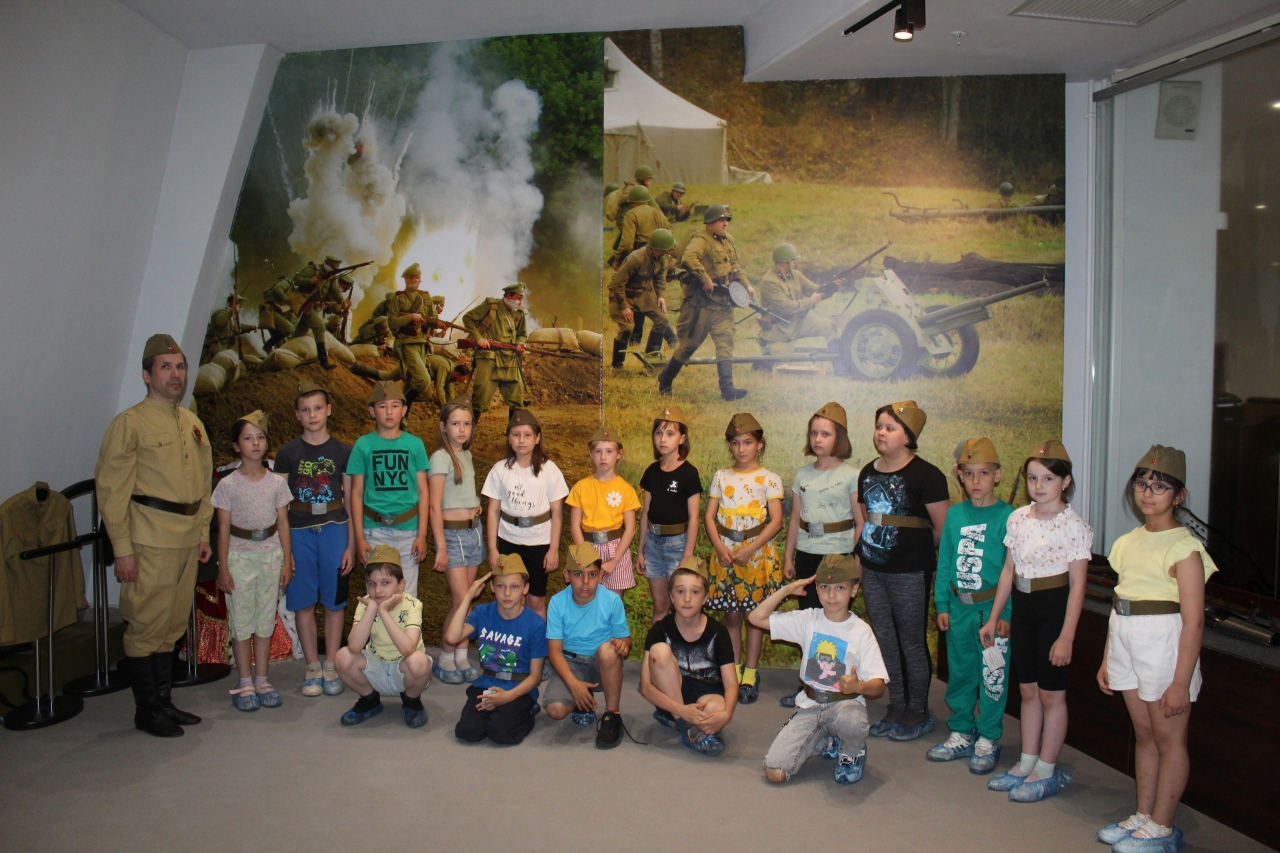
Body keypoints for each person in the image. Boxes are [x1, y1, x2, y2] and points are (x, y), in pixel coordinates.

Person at [1093, 446, 1213, 852]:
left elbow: (1194, 622)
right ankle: (1144, 814)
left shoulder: (1185, 547)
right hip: (1125, 636)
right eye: (1142, 484)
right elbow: (1119, 601)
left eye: (1159, 486)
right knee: (1144, 734)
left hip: (1163, 643)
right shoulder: (1128, 541)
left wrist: (1180, 682)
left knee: (1168, 740)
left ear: (1179, 496)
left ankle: (1162, 825)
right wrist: (1108, 658)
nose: (1147, 493)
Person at [95, 333, 213, 738]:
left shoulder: (192, 423)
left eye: (180, 367)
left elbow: (204, 485)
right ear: (147, 375)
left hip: (186, 538)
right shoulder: (130, 424)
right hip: (149, 539)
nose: (175, 374)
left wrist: (203, 532)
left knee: (172, 625)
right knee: (146, 624)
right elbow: (112, 491)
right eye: (166, 367)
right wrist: (122, 549)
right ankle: (146, 710)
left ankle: (163, 702)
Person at [980, 440, 1092, 802]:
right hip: (1024, 606)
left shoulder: (1073, 526)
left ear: (1065, 481)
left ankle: (1047, 767)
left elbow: (1078, 586)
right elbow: (1008, 571)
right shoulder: (1018, 518)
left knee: (1051, 694)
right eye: (1032, 478)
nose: (1039, 486)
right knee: (1028, 690)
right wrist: (994, 618)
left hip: (1054, 608)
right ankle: (1027, 761)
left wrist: (1067, 636)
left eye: (1048, 478)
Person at [855, 400, 950, 741]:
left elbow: (941, 529)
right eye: (879, 426)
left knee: (911, 641)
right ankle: (897, 704)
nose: (881, 432)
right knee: (885, 639)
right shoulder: (867, 472)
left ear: (908, 436)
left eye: (890, 428)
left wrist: (913, 550)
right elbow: (865, 519)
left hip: (910, 572)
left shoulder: (928, 475)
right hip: (873, 570)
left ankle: (918, 710)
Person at [750, 555, 889, 785]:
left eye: (840, 588)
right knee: (776, 772)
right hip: (810, 706)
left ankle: (852, 752)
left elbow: (878, 685)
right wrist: (786, 591)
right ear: (816, 589)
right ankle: (826, 740)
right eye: (825, 587)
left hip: (844, 705)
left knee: (853, 721)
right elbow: (756, 618)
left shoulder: (860, 631)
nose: (832, 595)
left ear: (854, 590)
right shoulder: (808, 620)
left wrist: (858, 686)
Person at [927, 437, 1015, 773]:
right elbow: (945, 561)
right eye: (968, 474)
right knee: (961, 672)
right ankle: (962, 730)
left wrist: (1006, 614)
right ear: (960, 476)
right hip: (959, 610)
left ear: (998, 475)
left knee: (992, 675)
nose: (975, 481)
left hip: (992, 611)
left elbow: (1012, 571)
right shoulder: (954, 515)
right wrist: (942, 604)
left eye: (983, 473)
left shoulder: (1009, 517)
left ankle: (988, 736)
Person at [274, 379, 355, 698]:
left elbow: (351, 500)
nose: (312, 415)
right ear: (297, 415)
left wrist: (351, 544)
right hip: (298, 532)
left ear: (328, 410)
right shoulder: (287, 453)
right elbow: (279, 505)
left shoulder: (343, 451)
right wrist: (285, 550)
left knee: (335, 601)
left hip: (335, 529)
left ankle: (331, 663)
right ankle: (312, 666)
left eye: (318, 408)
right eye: (305, 410)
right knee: (303, 602)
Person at [212, 410, 294, 711]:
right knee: (242, 620)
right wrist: (223, 567)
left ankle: (262, 679)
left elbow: (283, 523)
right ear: (237, 446)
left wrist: (287, 560)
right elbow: (223, 529)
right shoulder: (227, 485)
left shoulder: (276, 483)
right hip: (239, 557)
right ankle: (245, 681)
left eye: (260, 437)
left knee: (264, 619)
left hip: (270, 555)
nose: (255, 443)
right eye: (248, 438)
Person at [779, 402, 859, 708]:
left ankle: (834, 685)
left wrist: (856, 562)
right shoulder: (803, 474)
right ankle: (808, 687)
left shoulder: (851, 475)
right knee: (810, 620)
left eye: (825, 434)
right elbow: (795, 519)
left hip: (838, 556)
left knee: (835, 621)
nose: (818, 439)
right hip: (807, 555)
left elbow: (860, 521)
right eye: (814, 433)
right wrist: (789, 557)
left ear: (839, 438)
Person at [705, 413, 784, 705]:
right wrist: (719, 548)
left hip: (756, 555)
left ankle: (750, 673)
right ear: (729, 445)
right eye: (736, 443)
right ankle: (734, 671)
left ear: (759, 444)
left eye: (748, 442)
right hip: (726, 554)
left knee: (754, 617)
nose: (742, 449)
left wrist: (750, 549)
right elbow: (709, 516)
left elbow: (776, 521)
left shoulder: (769, 479)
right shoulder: (721, 476)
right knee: (732, 616)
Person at [445, 554, 548, 746]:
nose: (507, 593)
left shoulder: (535, 624)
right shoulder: (482, 612)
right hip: (487, 683)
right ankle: (500, 713)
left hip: (518, 687)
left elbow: (535, 677)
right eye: (501, 586)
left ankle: (528, 710)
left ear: (525, 588)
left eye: (514, 587)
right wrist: (467, 597)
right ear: (492, 587)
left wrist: (508, 697)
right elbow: (451, 638)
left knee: (501, 734)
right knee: (467, 732)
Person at [640, 556, 738, 756]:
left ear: (705, 597)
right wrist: (681, 710)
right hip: (671, 695)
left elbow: (731, 684)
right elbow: (645, 686)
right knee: (659, 652)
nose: (686, 599)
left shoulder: (718, 633)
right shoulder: (659, 630)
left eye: (695, 592)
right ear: (671, 596)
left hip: (706, 696)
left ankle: (685, 723)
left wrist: (727, 714)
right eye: (680, 591)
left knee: (717, 709)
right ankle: (683, 724)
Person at [657, 205, 752, 400]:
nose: (725, 223)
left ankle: (727, 389)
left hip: (723, 302)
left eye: (727, 220)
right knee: (688, 346)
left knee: (725, 340)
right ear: (709, 223)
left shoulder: (727, 240)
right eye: (720, 220)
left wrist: (746, 285)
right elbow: (688, 258)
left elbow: (734, 266)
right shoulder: (701, 240)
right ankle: (665, 379)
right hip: (700, 304)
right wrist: (705, 278)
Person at [542, 543, 633, 749]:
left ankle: (612, 715)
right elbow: (554, 652)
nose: (585, 582)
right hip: (571, 663)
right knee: (555, 710)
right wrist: (573, 684)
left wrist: (623, 645)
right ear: (566, 575)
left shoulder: (612, 600)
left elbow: (625, 639)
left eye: (592, 575)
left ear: (600, 576)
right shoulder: (557, 603)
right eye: (578, 575)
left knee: (608, 650)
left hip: (602, 666)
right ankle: (582, 697)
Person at [481, 409, 568, 618]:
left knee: (536, 600)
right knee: (511, 597)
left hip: (539, 543)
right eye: (516, 434)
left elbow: (557, 512)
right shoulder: (500, 470)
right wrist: (492, 549)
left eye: (527, 435)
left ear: (537, 438)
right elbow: (493, 511)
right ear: (509, 438)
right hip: (508, 540)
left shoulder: (549, 470)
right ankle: (513, 637)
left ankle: (537, 639)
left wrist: (553, 549)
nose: (521, 440)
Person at [333, 544, 432, 728]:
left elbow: (408, 649)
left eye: (385, 583)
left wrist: (384, 612)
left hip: (403, 668)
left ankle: (411, 702)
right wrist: (372, 609)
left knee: (420, 661)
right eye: (372, 584)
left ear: (401, 584)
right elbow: (354, 647)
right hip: (376, 667)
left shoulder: (413, 604)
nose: (377, 591)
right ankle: (369, 700)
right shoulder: (365, 604)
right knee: (342, 657)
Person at [347, 381, 430, 597]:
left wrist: (422, 535)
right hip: (374, 530)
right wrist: (359, 538)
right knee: (378, 593)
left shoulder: (415, 444)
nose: (389, 412)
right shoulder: (363, 445)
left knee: (407, 595)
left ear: (404, 410)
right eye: (382, 406)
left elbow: (423, 492)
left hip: (408, 530)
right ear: (372, 412)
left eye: (395, 406)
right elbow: (356, 493)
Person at [428, 398, 485, 685]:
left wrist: (474, 505)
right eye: (455, 424)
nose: (462, 429)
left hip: (474, 533)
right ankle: (445, 658)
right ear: (443, 427)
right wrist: (440, 546)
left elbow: (463, 493)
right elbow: (434, 506)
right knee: (462, 601)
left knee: (468, 599)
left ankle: (462, 657)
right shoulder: (440, 458)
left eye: (467, 424)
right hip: (452, 537)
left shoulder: (467, 455)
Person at [636, 405, 702, 624]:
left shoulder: (689, 473)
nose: (663, 439)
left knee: (681, 606)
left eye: (670, 433)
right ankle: (657, 645)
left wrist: (687, 554)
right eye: (658, 433)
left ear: (682, 438)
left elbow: (694, 518)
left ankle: (683, 645)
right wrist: (641, 551)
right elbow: (645, 513)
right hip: (652, 545)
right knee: (660, 605)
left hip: (678, 545)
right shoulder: (651, 472)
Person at [567, 426, 641, 595]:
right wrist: (585, 556)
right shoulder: (581, 487)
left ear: (619, 454)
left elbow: (630, 529)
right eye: (598, 451)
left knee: (614, 601)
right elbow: (575, 526)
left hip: (617, 549)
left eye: (609, 451)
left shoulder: (625, 489)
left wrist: (615, 560)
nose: (603, 457)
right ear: (591, 454)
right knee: (588, 598)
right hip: (587, 546)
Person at [756, 243, 841, 369]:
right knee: (781, 364)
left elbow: (816, 290)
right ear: (783, 261)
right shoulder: (769, 281)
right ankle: (767, 355)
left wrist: (832, 286)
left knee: (830, 327)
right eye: (793, 259)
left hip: (798, 322)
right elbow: (786, 307)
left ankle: (840, 367)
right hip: (780, 330)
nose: (795, 262)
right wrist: (811, 301)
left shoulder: (796, 275)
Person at [608, 228, 675, 368]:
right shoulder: (636, 258)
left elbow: (660, 279)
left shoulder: (662, 259)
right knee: (628, 328)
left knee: (662, 320)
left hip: (643, 294)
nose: (666, 252)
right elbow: (617, 284)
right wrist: (624, 307)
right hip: (623, 295)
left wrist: (661, 296)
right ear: (656, 248)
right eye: (664, 249)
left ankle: (651, 359)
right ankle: (617, 364)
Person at [464, 282, 528, 422]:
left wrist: (519, 343)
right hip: (488, 357)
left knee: (517, 396)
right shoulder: (491, 306)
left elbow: (523, 334)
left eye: (521, 299)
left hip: (509, 359)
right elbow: (468, 318)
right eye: (518, 298)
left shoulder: (519, 312)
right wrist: (479, 338)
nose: (520, 302)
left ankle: (514, 433)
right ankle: (467, 432)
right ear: (508, 296)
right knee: (481, 396)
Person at [385, 262, 436, 410]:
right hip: (407, 343)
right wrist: (411, 317)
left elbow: (433, 316)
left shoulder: (425, 296)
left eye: (420, 277)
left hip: (423, 344)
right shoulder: (398, 298)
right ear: (407, 279)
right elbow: (392, 322)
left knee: (410, 381)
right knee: (423, 380)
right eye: (416, 278)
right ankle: (400, 406)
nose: (419, 280)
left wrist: (436, 323)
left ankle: (401, 417)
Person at [291, 255, 353, 370]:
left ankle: (287, 350)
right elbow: (297, 280)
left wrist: (341, 300)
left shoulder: (331, 276)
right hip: (305, 304)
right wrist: (311, 281)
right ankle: (323, 360)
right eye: (334, 267)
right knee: (319, 327)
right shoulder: (313, 270)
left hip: (314, 307)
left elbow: (334, 291)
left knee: (300, 333)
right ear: (328, 264)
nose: (335, 269)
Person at [611, 185, 671, 269]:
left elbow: (627, 244)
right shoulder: (659, 214)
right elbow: (669, 237)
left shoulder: (631, 215)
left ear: (632, 202)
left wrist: (618, 261)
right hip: (660, 256)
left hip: (640, 255)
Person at [258, 276, 297, 352]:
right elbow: (277, 289)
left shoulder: (290, 289)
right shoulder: (286, 283)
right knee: (289, 328)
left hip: (270, 311)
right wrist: (288, 301)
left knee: (280, 343)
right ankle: (267, 346)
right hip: (270, 311)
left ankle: (271, 353)